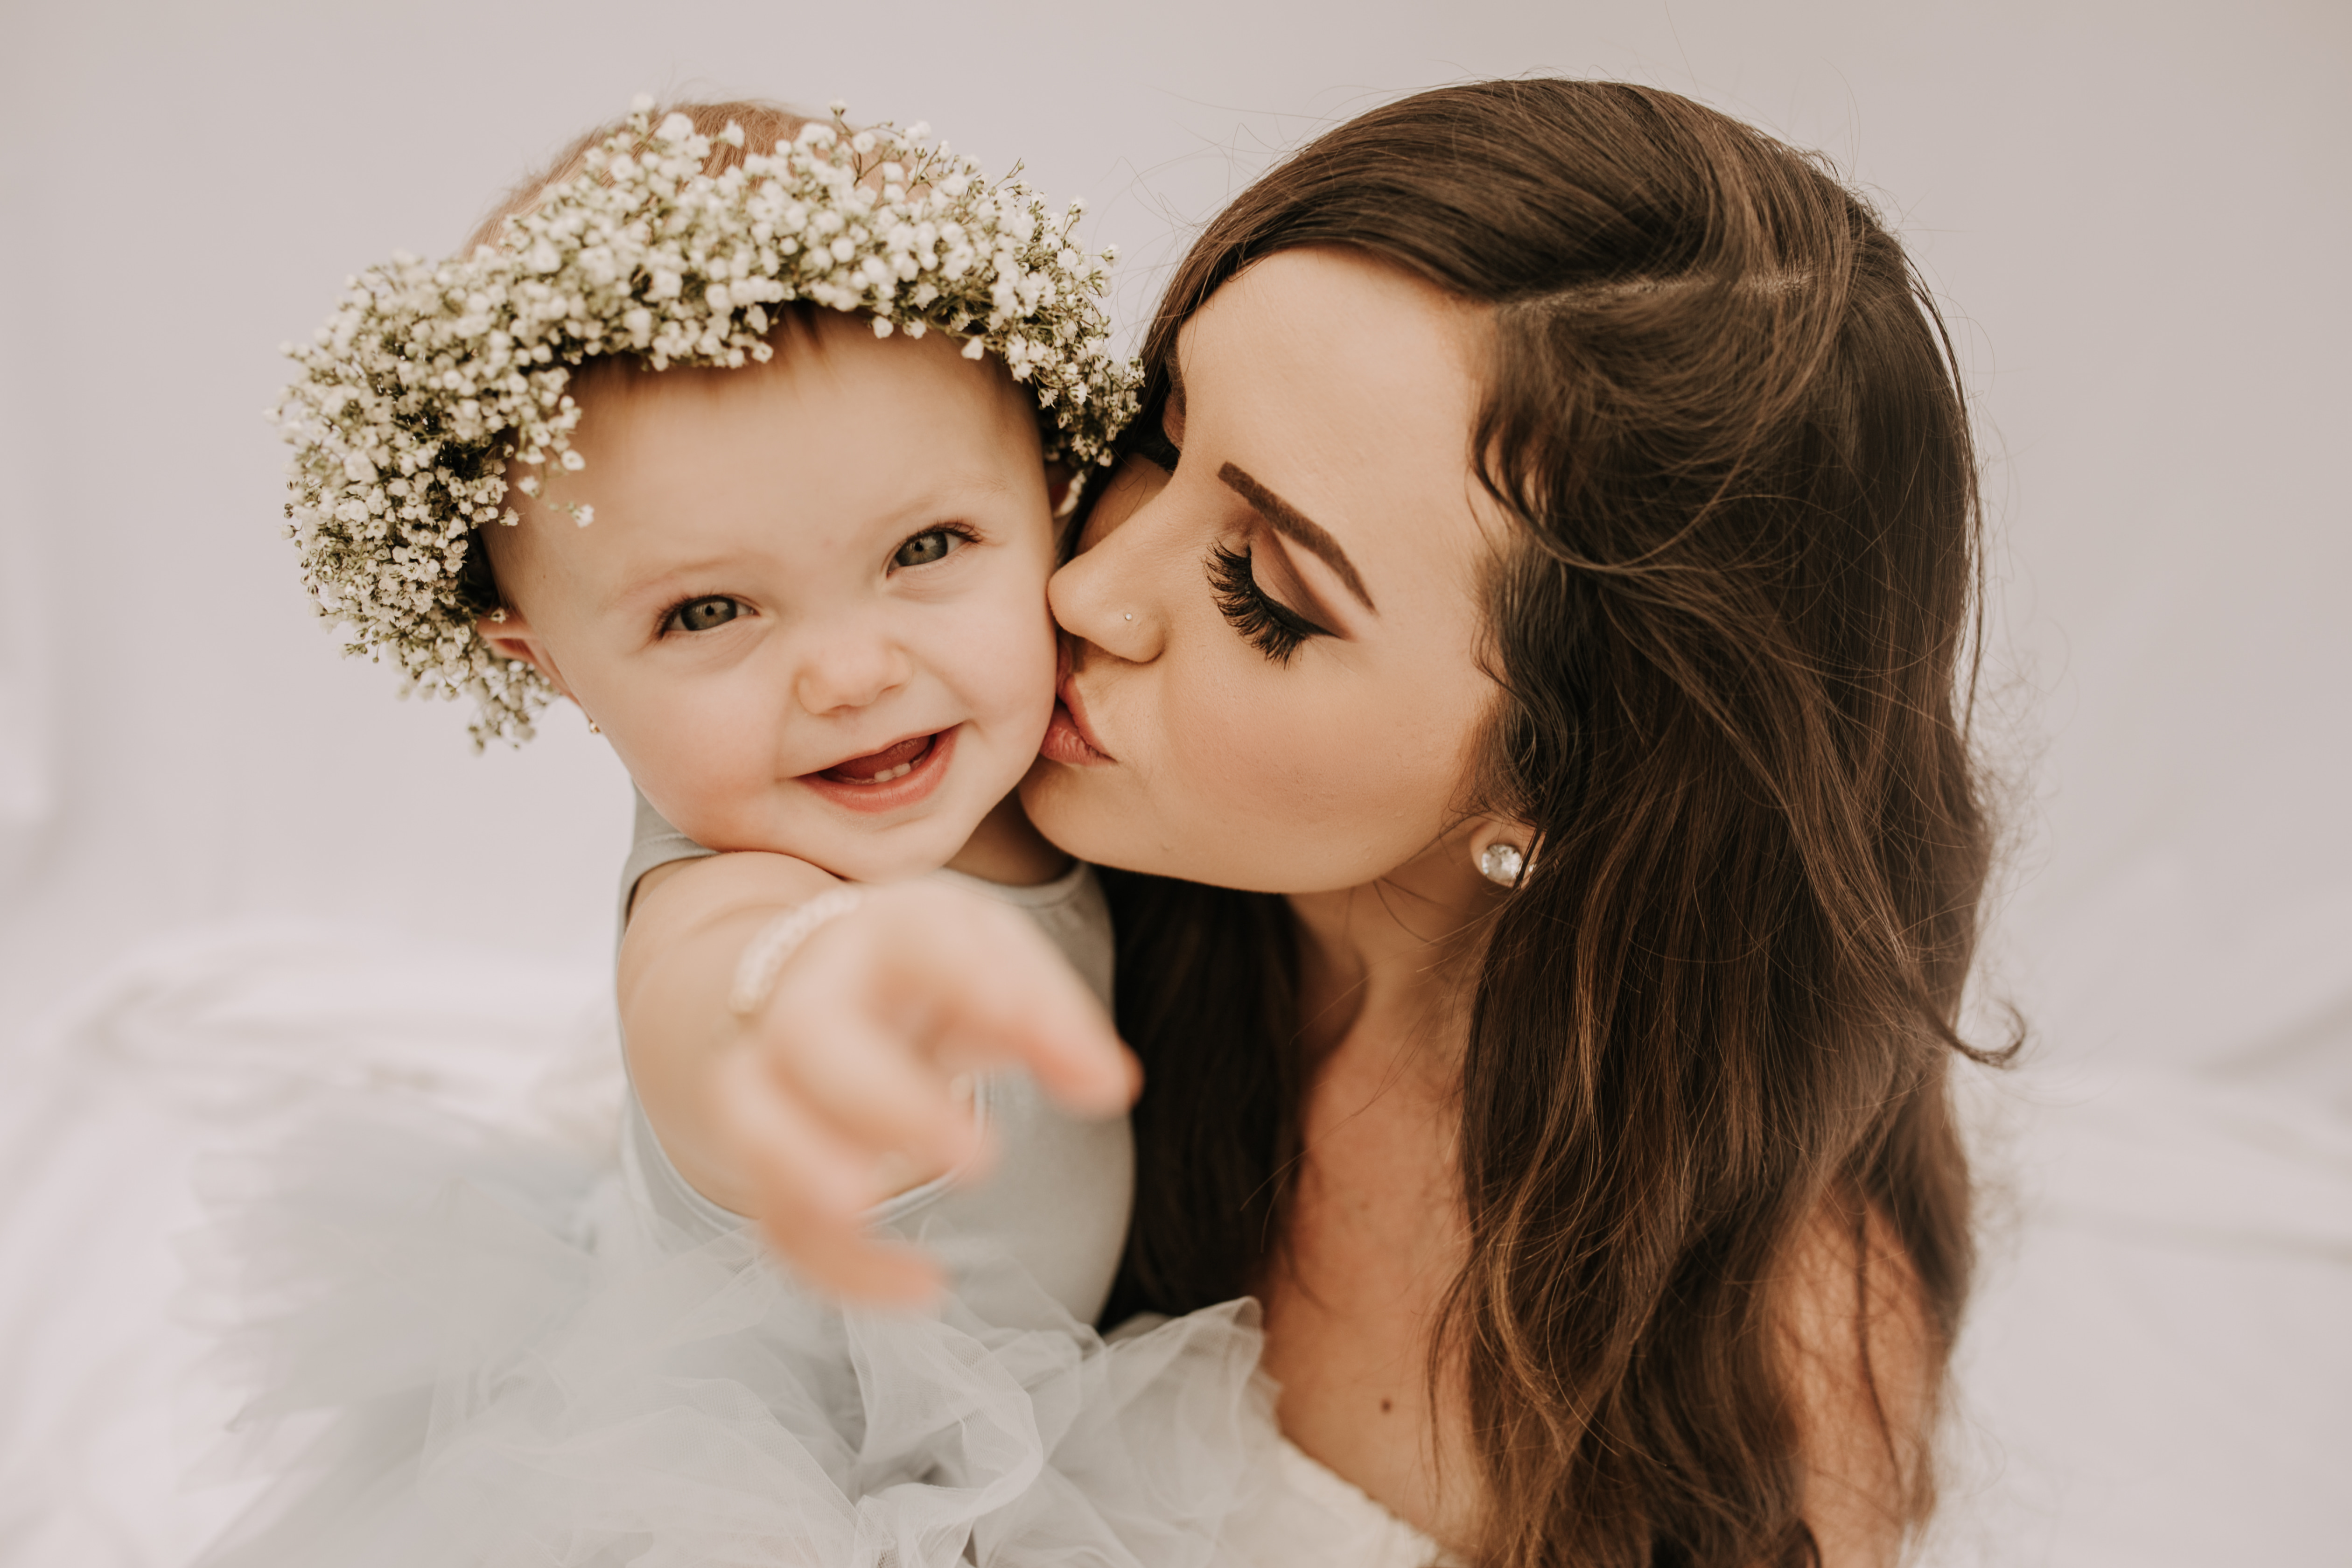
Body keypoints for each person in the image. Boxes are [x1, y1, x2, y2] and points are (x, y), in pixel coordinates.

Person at [714, 78, 2004, 1568]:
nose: (1089, 590)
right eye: (1157, 434)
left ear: (1576, 765)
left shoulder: (1752, 1347)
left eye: (1265, 589)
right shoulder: (963, 811)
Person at [199, 99, 1261, 1568]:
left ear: (1057, 498)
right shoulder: (728, 897)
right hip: (771, 1506)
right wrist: (818, 996)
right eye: (708, 612)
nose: (850, 671)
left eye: (927, 550)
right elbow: (723, 1004)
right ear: (545, 663)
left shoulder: (1029, 757)